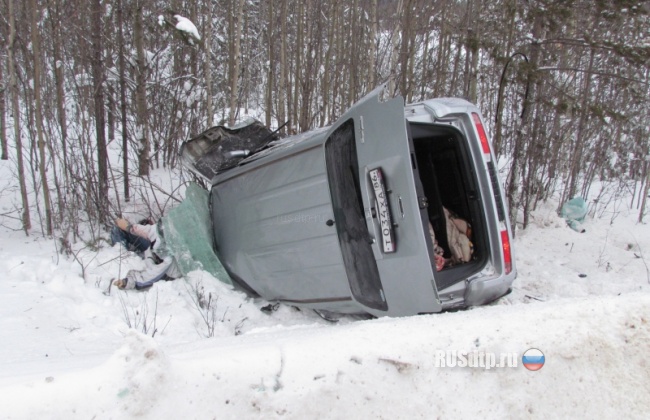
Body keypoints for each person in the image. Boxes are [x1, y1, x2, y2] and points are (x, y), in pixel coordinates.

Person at [110, 217, 182, 290]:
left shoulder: (167, 263)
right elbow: (151, 231)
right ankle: (121, 250)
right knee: (117, 229)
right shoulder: (167, 233)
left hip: (152, 258)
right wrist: (128, 227)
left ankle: (121, 255)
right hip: (150, 250)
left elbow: (143, 280)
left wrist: (125, 282)